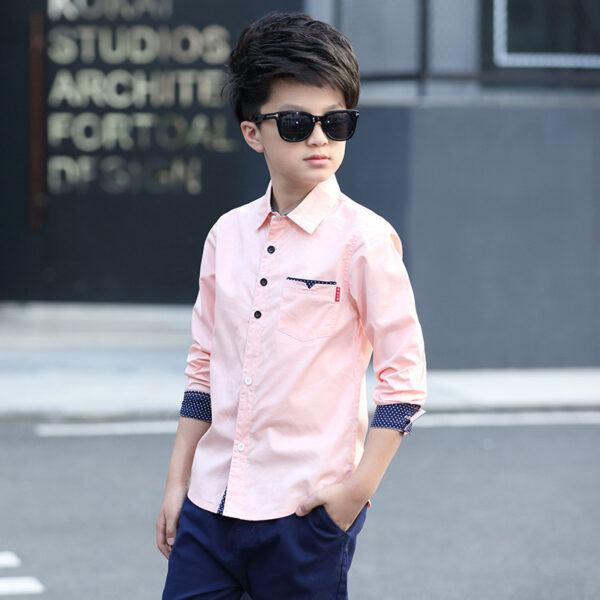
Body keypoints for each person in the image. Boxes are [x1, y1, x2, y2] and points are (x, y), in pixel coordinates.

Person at [157, 11, 426, 600]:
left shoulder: (365, 240)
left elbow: (404, 382)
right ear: (253, 133)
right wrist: (178, 482)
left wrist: (354, 495)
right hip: (210, 505)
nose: (320, 139)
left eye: (337, 122)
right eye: (298, 123)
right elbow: (203, 367)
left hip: (305, 514)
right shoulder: (226, 235)